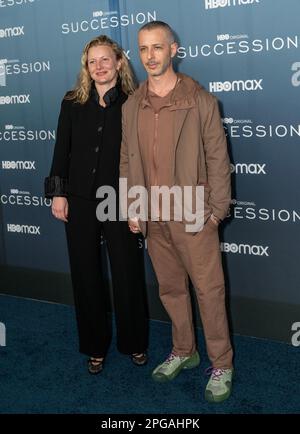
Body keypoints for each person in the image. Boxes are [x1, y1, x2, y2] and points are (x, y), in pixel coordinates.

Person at [120, 21, 233, 402]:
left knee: (208, 291)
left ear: (173, 50)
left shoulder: (200, 100)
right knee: (170, 289)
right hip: (152, 215)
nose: (150, 56)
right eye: (143, 49)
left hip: (193, 213)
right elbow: (126, 160)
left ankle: (222, 363)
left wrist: (216, 211)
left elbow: (218, 158)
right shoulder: (132, 103)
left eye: (157, 47)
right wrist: (132, 206)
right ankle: (184, 350)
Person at [45, 35, 149, 375]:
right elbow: (62, 149)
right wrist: (58, 193)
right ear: (86, 68)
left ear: (119, 62)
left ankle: (134, 342)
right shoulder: (72, 102)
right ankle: (94, 346)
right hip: (79, 199)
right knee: (85, 276)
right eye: (93, 61)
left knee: (127, 273)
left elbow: (143, 157)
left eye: (106, 60)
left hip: (120, 201)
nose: (99, 66)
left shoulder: (135, 102)